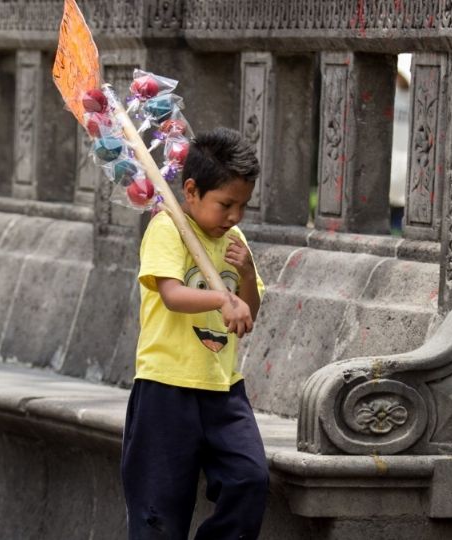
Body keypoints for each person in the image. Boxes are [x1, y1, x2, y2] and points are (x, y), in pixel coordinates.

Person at [121, 127, 269, 539]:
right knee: (158, 514)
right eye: (225, 205)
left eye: (242, 206)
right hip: (166, 388)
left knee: (249, 478)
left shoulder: (235, 241)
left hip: (223, 388)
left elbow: (247, 314)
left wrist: (246, 274)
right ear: (191, 190)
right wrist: (222, 300)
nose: (235, 217)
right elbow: (171, 294)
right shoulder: (167, 227)